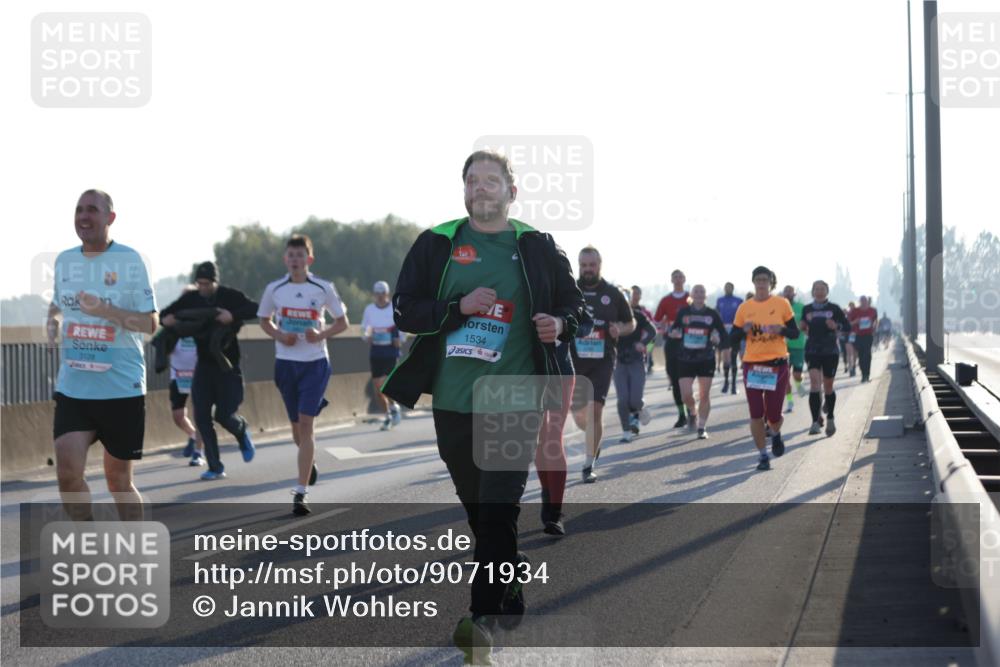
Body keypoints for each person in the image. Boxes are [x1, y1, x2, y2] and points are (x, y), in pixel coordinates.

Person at [380, 150, 585, 663]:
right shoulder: (437, 242)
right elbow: (405, 309)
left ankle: (480, 622)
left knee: (497, 510)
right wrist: (458, 308)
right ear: (465, 190)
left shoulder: (535, 246)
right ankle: (509, 574)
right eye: (473, 180)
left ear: (511, 192)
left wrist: (559, 325)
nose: (482, 188)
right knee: (480, 513)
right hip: (452, 400)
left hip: (515, 394)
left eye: (492, 180)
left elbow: (574, 306)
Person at [47, 189, 157, 522]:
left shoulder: (130, 260)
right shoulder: (65, 260)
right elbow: (58, 303)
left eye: (92, 209)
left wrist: (106, 310)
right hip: (75, 387)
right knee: (67, 475)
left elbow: (150, 323)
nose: (84, 216)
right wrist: (52, 321)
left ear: (110, 217)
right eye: (79, 209)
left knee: (119, 481)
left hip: (120, 388)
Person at [258, 234, 349, 516]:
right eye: (291, 255)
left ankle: (300, 493)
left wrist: (321, 334)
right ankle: (308, 462)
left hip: (315, 363)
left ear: (309, 259)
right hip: (286, 364)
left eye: (301, 255)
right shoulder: (275, 289)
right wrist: (279, 335)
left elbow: (342, 322)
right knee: (297, 430)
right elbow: (264, 319)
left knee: (307, 425)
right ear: (286, 259)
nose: (295, 260)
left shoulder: (323, 288)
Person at [160, 261, 259, 480]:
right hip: (203, 365)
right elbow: (166, 313)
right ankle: (215, 467)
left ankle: (241, 431)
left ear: (215, 281)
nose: (203, 287)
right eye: (200, 283)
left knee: (224, 415)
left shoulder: (229, 296)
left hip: (227, 365)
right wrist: (166, 319)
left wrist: (232, 316)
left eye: (207, 284)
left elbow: (255, 308)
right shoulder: (192, 298)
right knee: (202, 416)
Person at [571, 248, 635, 482]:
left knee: (595, 409)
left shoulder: (612, 293)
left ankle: (589, 464)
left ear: (600, 264)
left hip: (603, 359)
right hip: (573, 360)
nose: (588, 269)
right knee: (579, 416)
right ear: (579, 265)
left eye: (592, 264)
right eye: (584, 265)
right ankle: (592, 436)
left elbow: (631, 323)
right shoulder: (569, 289)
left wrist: (620, 328)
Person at [729, 266, 799, 471]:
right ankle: (762, 455)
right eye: (757, 280)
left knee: (774, 416)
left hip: (776, 365)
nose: (761, 283)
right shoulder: (744, 308)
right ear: (753, 282)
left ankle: (775, 433)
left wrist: (782, 329)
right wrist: (743, 330)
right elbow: (732, 339)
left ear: (770, 282)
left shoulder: (781, 304)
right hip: (753, 365)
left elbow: (794, 333)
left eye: (764, 280)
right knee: (756, 414)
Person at [669, 284, 729, 439]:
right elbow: (674, 330)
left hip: (706, 358)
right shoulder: (683, 312)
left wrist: (717, 340)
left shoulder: (712, 314)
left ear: (706, 295)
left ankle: (702, 427)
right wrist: (674, 333)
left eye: (702, 291)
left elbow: (722, 334)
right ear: (691, 295)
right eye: (696, 291)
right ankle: (693, 412)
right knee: (685, 395)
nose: (699, 294)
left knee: (704, 394)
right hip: (685, 358)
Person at [801, 280, 852, 436]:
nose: (819, 291)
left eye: (822, 289)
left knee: (828, 386)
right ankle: (815, 422)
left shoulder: (834, 308)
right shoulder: (807, 309)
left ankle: (830, 418)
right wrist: (803, 327)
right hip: (812, 349)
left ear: (827, 291)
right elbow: (803, 326)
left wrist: (836, 326)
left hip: (830, 350)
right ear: (812, 291)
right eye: (816, 289)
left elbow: (847, 327)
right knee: (815, 384)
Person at [614, 286, 656, 443]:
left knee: (634, 400)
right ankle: (626, 431)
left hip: (636, 360)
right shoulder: (610, 317)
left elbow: (652, 331)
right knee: (622, 399)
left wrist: (642, 342)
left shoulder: (638, 315)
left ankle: (640, 407)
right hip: (618, 361)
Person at [362, 280, 404, 430]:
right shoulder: (369, 310)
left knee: (386, 384)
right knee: (377, 388)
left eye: (383, 293)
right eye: (377, 294)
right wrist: (367, 336)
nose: (380, 297)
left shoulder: (393, 309)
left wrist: (399, 338)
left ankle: (393, 408)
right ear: (374, 294)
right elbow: (365, 328)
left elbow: (402, 328)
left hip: (391, 352)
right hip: (376, 352)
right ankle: (388, 414)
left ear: (388, 294)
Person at [654, 270, 690, 427]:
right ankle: (682, 415)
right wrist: (664, 328)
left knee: (687, 381)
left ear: (684, 279)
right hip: (672, 345)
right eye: (675, 277)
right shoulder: (666, 300)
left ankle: (692, 412)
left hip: (690, 344)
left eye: (680, 277)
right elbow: (656, 321)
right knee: (675, 381)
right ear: (671, 280)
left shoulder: (691, 298)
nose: (677, 279)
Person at [168, 329, 205, 466]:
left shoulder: (201, 327)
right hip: (178, 376)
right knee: (178, 416)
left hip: (199, 376)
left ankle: (198, 453)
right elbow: (162, 346)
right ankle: (194, 435)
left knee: (199, 415)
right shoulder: (174, 329)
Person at [781, 285, 808, 412]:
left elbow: (806, 324)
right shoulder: (778, 306)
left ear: (794, 294)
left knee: (797, 374)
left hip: (798, 345)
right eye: (786, 291)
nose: (787, 293)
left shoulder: (801, 307)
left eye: (790, 291)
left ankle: (798, 383)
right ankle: (790, 401)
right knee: (785, 376)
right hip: (783, 347)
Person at [715, 282, 743, 394]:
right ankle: (726, 381)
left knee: (734, 357)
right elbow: (716, 314)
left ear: (732, 288)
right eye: (726, 287)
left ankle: (734, 385)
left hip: (735, 330)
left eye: (729, 287)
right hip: (723, 331)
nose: (727, 289)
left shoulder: (739, 301)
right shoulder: (720, 300)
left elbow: (742, 316)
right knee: (726, 358)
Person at [850, 295, 878, 383]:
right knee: (861, 355)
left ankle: (867, 375)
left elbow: (876, 321)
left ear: (867, 302)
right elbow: (849, 324)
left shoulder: (873, 311)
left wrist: (874, 327)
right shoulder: (855, 311)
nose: (864, 303)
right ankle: (863, 374)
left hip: (868, 335)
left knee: (867, 354)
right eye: (862, 301)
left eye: (865, 301)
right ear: (860, 302)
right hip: (858, 336)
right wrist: (856, 321)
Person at [844, 300, 858, 376]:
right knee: (849, 353)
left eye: (852, 306)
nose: (851, 307)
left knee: (855, 352)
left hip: (856, 334)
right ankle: (851, 369)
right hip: (848, 334)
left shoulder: (857, 314)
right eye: (850, 306)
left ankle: (854, 366)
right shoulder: (847, 315)